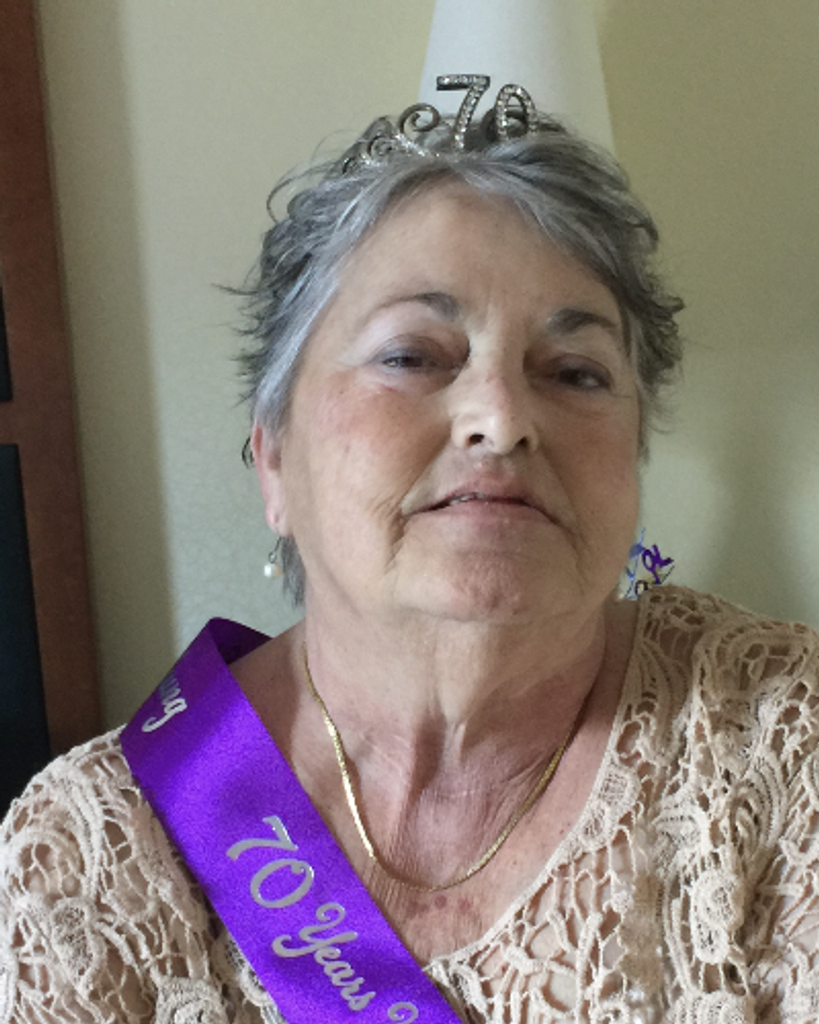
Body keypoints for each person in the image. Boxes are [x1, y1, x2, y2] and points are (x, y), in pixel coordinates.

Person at [2, 83, 819, 1024]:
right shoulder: (88, 865)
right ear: (275, 459)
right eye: (412, 356)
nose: (501, 419)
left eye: (574, 372)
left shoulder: (781, 743)